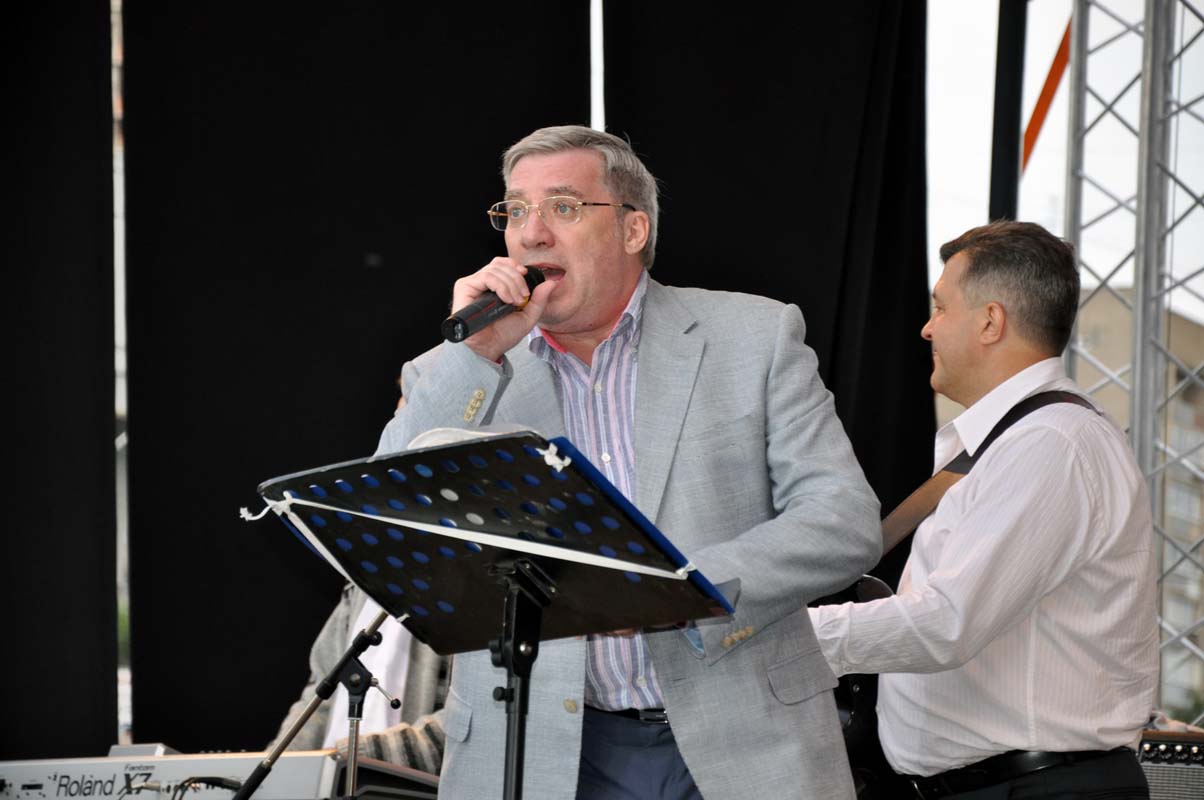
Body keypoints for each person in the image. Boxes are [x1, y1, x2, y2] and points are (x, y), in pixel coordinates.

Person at [361, 124, 881, 799]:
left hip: (745, 738)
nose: (532, 233)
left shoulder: (754, 337)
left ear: (634, 229)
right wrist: (476, 355)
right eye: (515, 210)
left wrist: (678, 589)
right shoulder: (465, 367)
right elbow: (382, 514)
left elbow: (841, 520)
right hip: (543, 754)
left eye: (563, 207)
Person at [809, 220, 1159, 799]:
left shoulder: (1048, 444)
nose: (927, 328)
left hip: (1039, 788)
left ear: (991, 322)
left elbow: (946, 623)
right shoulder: (1020, 440)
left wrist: (786, 636)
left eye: (941, 307)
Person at [268, 583, 448, 773]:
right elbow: (320, 694)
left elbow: (462, 723)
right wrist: (275, 763)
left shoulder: (461, 594)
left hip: (400, 782)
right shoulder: (357, 588)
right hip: (331, 774)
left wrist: (359, 755)